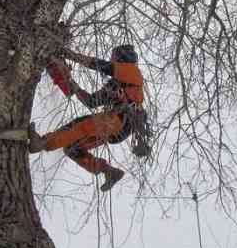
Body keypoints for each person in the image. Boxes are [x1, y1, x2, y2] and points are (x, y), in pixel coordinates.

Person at [29, 45, 151, 192]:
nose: (112, 60)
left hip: (119, 120)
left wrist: (71, 55)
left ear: (121, 58)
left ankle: (43, 143)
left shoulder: (132, 71)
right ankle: (108, 171)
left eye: (114, 58)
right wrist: (70, 81)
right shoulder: (116, 85)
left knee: (79, 125)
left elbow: (101, 65)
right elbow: (91, 102)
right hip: (119, 129)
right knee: (73, 148)